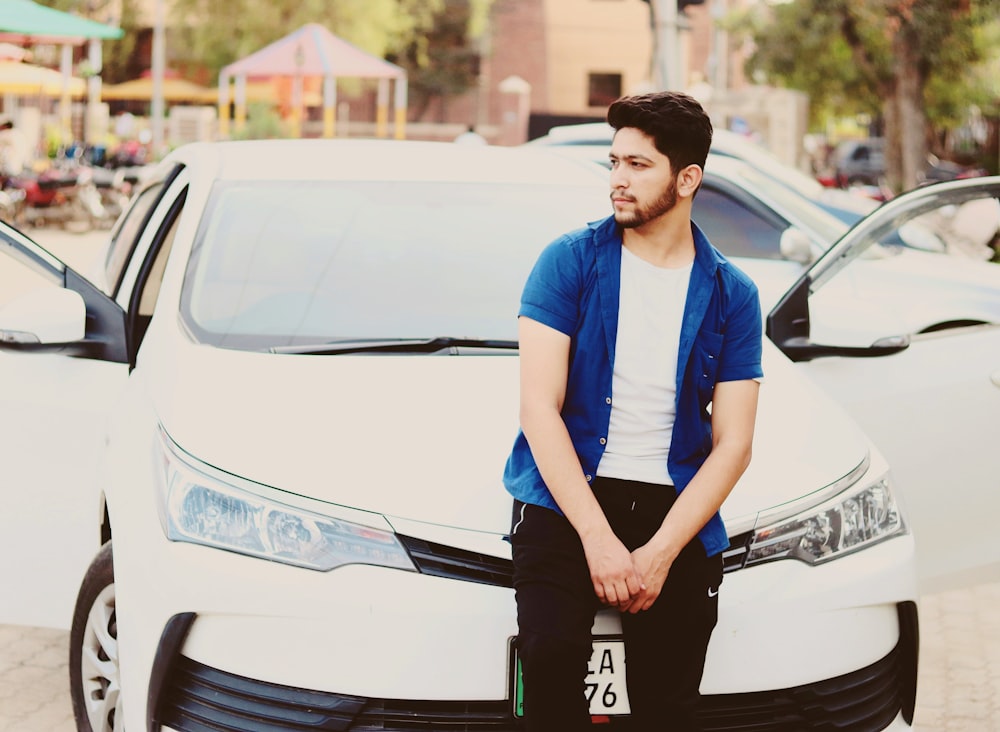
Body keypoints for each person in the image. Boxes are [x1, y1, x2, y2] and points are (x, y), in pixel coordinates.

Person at [503, 90, 763, 731]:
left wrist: (656, 555)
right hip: (568, 499)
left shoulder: (733, 294)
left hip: (672, 505)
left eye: (638, 165)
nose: (617, 179)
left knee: (670, 701)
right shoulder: (569, 262)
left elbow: (734, 443)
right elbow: (540, 409)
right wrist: (599, 541)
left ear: (687, 178)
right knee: (553, 653)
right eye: (614, 161)